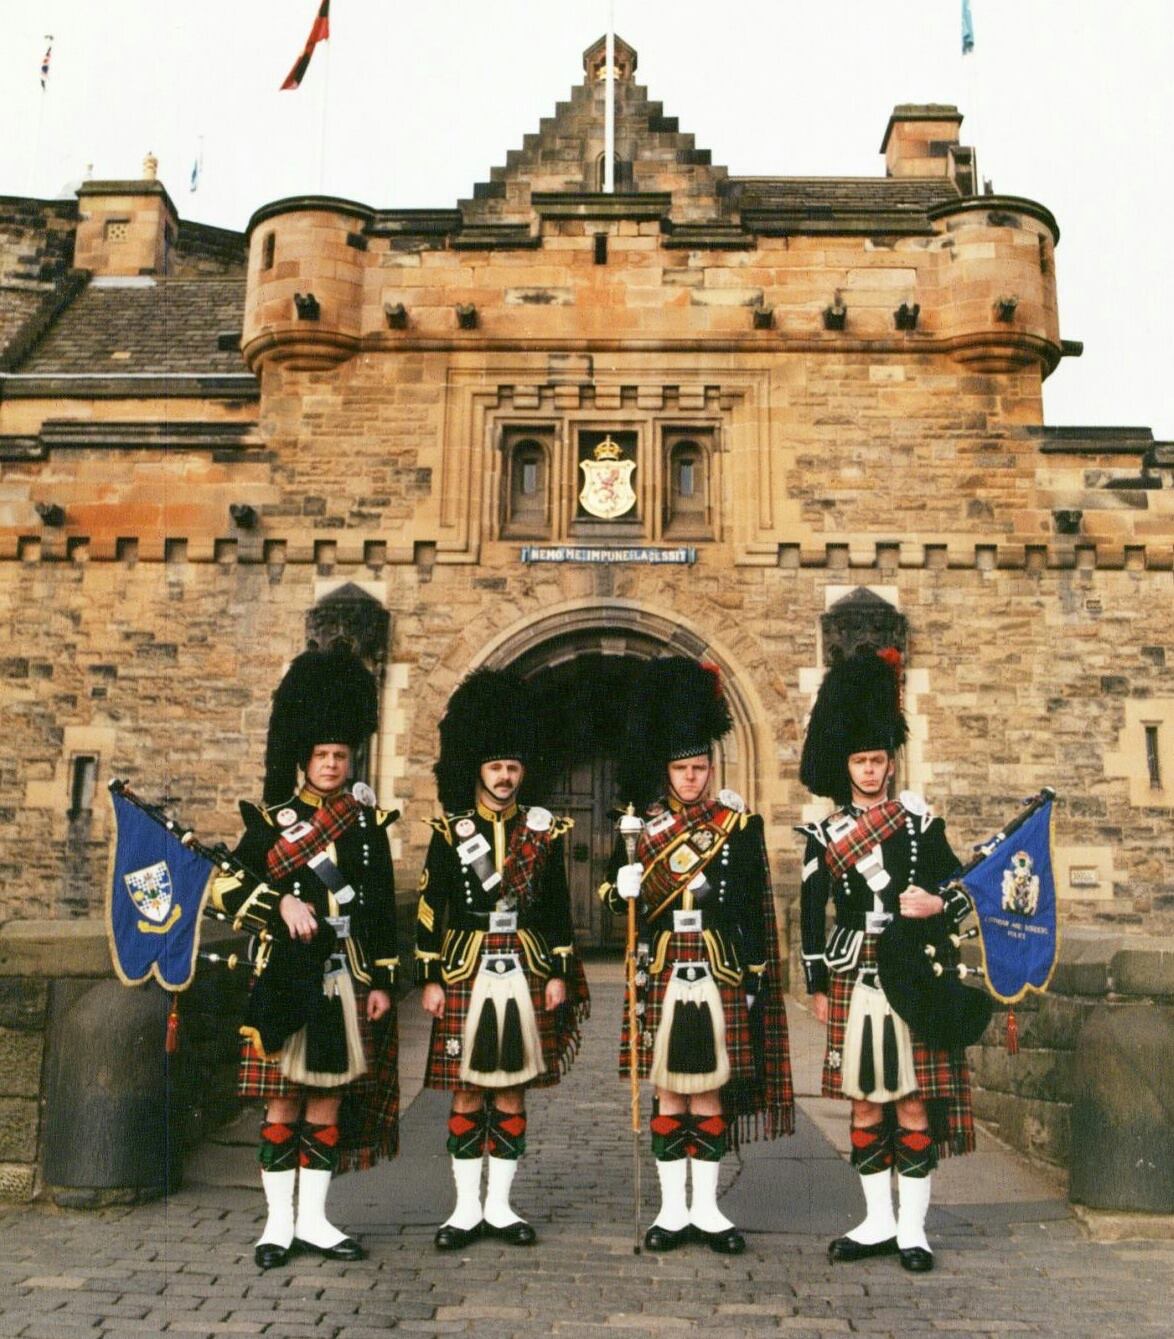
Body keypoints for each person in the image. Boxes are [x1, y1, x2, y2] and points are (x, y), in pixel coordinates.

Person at [211, 642, 400, 1270]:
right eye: (321, 755)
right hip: (287, 977)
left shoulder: (367, 828)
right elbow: (225, 886)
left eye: (340, 756)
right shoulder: (271, 821)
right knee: (283, 1102)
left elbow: (375, 913)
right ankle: (277, 1224)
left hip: (345, 977)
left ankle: (316, 1221)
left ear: (351, 759)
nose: (330, 765)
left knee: (327, 1103)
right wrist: (277, 908)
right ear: (305, 758)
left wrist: (381, 983)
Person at [599, 657, 793, 1255]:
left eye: (700, 768)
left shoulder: (738, 826)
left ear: (711, 769)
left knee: (708, 1090)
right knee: (667, 1089)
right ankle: (670, 1210)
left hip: (720, 967)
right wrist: (621, 888)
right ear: (667, 770)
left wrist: (761, 975)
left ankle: (707, 1211)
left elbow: (759, 906)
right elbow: (611, 897)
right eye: (682, 769)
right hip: (660, 966)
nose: (691, 778)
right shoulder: (641, 828)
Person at [798, 647, 978, 1273]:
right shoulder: (826, 835)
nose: (870, 771)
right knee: (864, 1101)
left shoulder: (918, 823)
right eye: (860, 761)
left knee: (912, 1101)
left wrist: (935, 903)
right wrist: (816, 982)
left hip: (909, 975)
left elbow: (961, 888)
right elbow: (811, 913)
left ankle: (913, 1229)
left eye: (878, 760)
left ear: (890, 761)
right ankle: (874, 1221)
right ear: (844, 764)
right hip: (853, 974)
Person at [415, 668, 590, 1250]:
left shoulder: (544, 832)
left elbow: (559, 911)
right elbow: (429, 907)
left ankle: (501, 1206)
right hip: (465, 966)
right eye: (495, 767)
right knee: (467, 1087)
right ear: (477, 771)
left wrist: (559, 972)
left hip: (525, 966)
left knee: (511, 1088)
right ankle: (464, 1210)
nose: (506, 777)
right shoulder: (451, 833)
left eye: (513, 768)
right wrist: (431, 976)